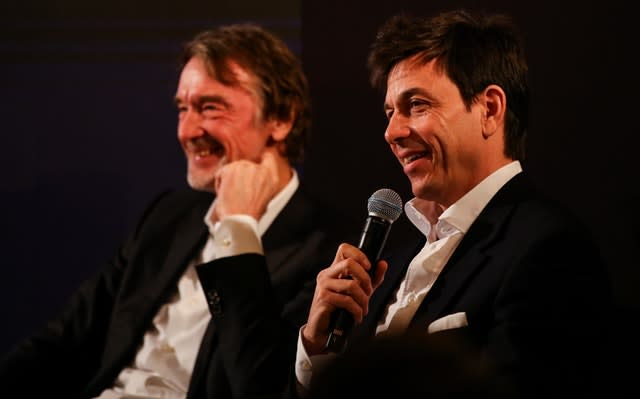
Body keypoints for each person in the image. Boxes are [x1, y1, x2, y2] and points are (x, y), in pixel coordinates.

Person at [0, 23, 355, 399]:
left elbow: (260, 385)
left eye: (210, 108)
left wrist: (237, 229)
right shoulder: (168, 216)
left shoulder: (326, 250)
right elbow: (61, 342)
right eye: (183, 108)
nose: (187, 130)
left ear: (281, 119)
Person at [293, 9, 611, 399]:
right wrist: (320, 350)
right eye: (390, 112)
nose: (392, 132)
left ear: (490, 109)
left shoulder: (548, 248)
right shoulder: (389, 270)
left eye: (417, 105)